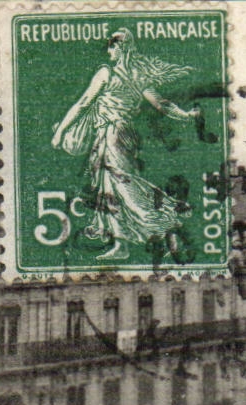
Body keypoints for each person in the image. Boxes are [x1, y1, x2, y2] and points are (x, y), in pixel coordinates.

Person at [50, 29, 198, 260]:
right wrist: (187, 115)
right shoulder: (138, 76)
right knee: (113, 185)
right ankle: (125, 243)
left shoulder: (105, 73)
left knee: (121, 187)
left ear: (121, 48)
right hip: (125, 135)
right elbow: (164, 105)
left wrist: (60, 131)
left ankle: (165, 224)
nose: (108, 50)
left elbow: (83, 104)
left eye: (111, 46)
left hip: (111, 134)